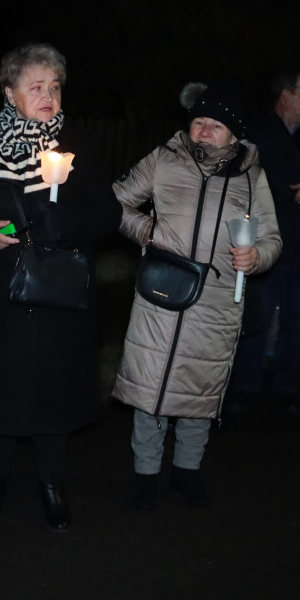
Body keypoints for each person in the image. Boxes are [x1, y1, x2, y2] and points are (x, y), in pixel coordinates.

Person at [0, 43, 120, 531]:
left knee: (55, 393)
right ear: (9, 92)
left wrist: (69, 224)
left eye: (55, 87)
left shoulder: (77, 143)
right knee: (1, 390)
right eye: (36, 87)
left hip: (59, 293)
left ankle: (52, 486)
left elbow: (109, 212)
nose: (48, 96)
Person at [112, 82, 281, 509]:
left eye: (216, 124)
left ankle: (187, 471)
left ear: (235, 133)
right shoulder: (164, 160)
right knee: (151, 386)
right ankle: (145, 476)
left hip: (217, 299)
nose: (204, 131)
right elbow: (118, 203)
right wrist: (144, 230)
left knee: (199, 391)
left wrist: (256, 256)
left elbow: (272, 238)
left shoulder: (253, 176)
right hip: (160, 292)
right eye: (199, 122)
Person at [230, 71, 300, 417]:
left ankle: (285, 389)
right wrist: (290, 194)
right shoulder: (256, 133)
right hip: (269, 247)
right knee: (257, 319)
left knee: (298, 322)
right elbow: (241, 178)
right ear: (285, 96)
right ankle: (245, 388)